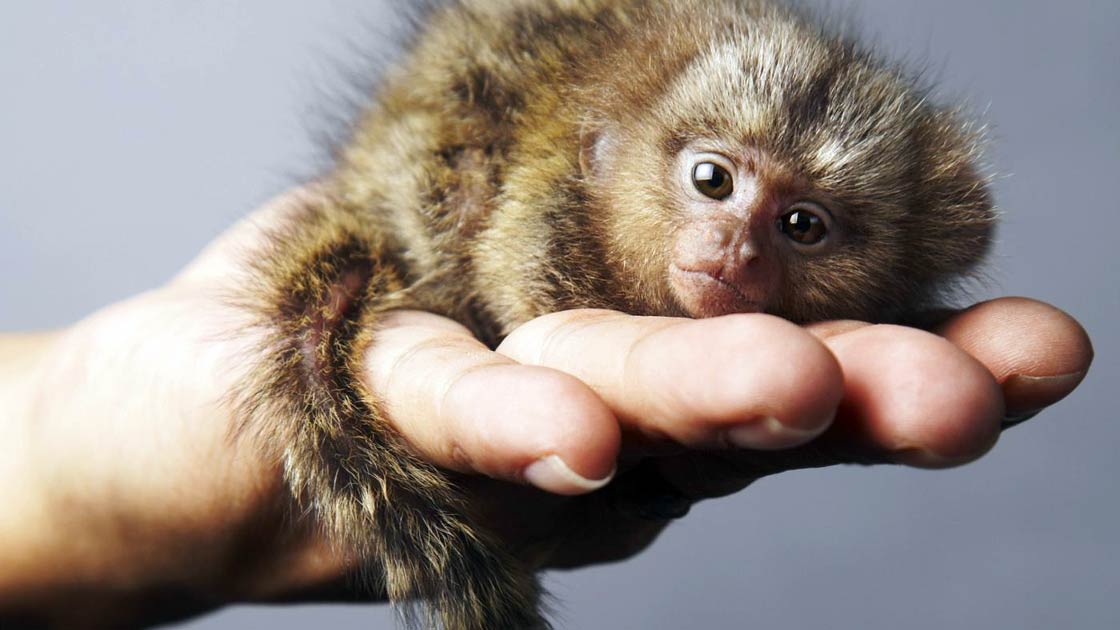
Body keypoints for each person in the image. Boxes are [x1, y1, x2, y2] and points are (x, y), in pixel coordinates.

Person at [0, 189, 1093, 627]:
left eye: (800, 227)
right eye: (712, 185)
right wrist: (60, 452)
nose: (732, 243)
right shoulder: (570, 175)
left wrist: (51, 442)